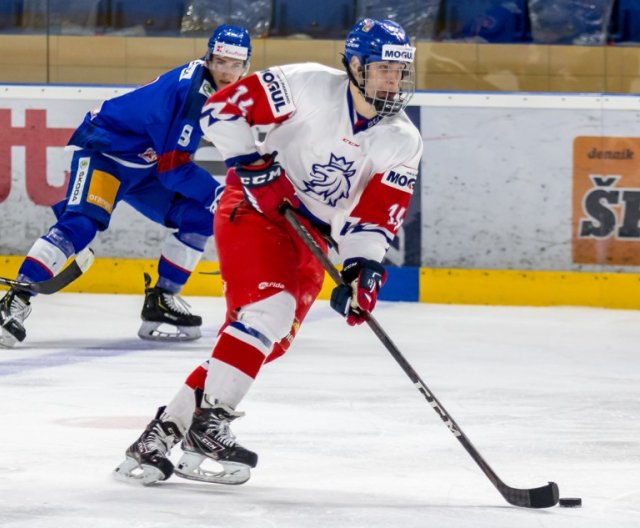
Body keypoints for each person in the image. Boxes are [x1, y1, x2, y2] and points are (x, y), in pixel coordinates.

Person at [114, 18, 423, 486]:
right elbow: (221, 111)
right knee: (268, 313)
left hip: (311, 235)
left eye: (399, 73)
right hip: (254, 207)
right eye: (383, 69)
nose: (392, 82)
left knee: (264, 342)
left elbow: (375, 219)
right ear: (355, 65)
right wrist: (251, 164)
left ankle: (163, 434)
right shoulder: (306, 84)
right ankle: (208, 426)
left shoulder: (403, 140)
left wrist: (363, 270)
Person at [0, 25, 252, 348]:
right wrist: (219, 194)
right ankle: (16, 298)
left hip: (147, 166)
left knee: (200, 216)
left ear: (246, 66)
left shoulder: (222, 92)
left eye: (234, 65)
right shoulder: (194, 94)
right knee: (81, 225)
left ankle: (163, 299)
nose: (226, 72)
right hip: (106, 153)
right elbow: (174, 169)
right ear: (208, 58)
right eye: (220, 62)